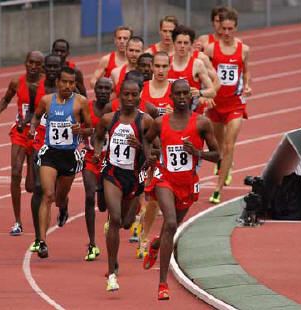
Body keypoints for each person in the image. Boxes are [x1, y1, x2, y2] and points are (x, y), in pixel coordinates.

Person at [142, 79, 220, 300]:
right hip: (165, 178)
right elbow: (147, 140)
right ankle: (163, 283)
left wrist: (198, 152)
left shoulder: (202, 123)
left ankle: (156, 244)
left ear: (192, 96)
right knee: (171, 222)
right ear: (171, 97)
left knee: (170, 229)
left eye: (187, 93)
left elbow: (217, 155)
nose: (183, 97)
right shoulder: (160, 122)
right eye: (178, 93)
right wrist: (151, 155)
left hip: (187, 182)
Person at [92, 79, 154, 291]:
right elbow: (97, 138)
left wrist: (143, 149)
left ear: (139, 96)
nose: (129, 99)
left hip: (135, 177)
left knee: (127, 223)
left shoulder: (145, 122)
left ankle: (125, 215)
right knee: (116, 218)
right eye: (125, 95)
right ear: (119, 96)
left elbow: (155, 151)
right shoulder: (108, 119)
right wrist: (98, 152)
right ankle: (111, 272)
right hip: (112, 173)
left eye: (133, 95)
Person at [29, 66, 91, 258]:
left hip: (69, 155)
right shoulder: (46, 101)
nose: (67, 85)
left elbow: (90, 128)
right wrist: (32, 128)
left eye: (71, 82)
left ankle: (63, 207)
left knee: (59, 198)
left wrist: (80, 130)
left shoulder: (81, 103)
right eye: (64, 82)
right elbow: (36, 116)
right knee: (47, 194)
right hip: (51, 154)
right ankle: (42, 241)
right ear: (57, 82)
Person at [0, 51, 44, 236]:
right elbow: (6, 99)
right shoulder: (17, 82)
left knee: (31, 186)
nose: (33, 66)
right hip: (20, 132)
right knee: (15, 172)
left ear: (42, 66)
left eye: (37, 63)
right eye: (30, 62)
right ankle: (17, 221)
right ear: (25, 63)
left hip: (39, 133)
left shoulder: (47, 84)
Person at [204, 10, 252, 203]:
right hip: (216, 104)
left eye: (230, 29)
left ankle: (217, 188)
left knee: (229, 145)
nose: (226, 32)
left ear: (236, 28)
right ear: (218, 28)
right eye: (223, 28)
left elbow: (246, 72)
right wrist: (207, 93)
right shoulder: (211, 49)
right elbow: (205, 74)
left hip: (235, 104)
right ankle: (226, 163)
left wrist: (247, 85)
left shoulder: (244, 50)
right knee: (218, 143)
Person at [137, 51, 173, 258]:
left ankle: (144, 237)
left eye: (164, 66)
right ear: (151, 67)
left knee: (155, 199)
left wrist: (174, 113)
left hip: (167, 151)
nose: (160, 70)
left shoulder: (174, 90)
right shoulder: (142, 91)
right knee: (140, 195)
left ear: (169, 67)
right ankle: (136, 223)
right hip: (145, 148)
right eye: (157, 66)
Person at [27, 54, 63, 252]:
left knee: (55, 194)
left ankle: (63, 207)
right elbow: (33, 112)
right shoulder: (36, 88)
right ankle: (39, 237)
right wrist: (30, 124)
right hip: (40, 143)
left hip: (62, 146)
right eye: (48, 66)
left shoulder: (67, 89)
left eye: (55, 67)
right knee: (39, 189)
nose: (51, 70)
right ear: (44, 68)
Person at [82, 77, 113, 261]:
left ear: (111, 91)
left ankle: (109, 220)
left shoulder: (115, 109)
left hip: (109, 159)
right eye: (99, 88)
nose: (102, 91)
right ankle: (92, 244)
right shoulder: (86, 107)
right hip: (90, 157)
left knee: (103, 204)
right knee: (88, 196)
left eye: (106, 88)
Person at [168, 25, 217, 114]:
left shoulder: (197, 64)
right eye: (179, 42)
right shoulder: (166, 63)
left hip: (193, 116)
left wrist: (200, 93)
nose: (182, 46)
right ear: (173, 43)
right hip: (171, 115)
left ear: (191, 44)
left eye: (186, 43)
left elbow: (212, 91)